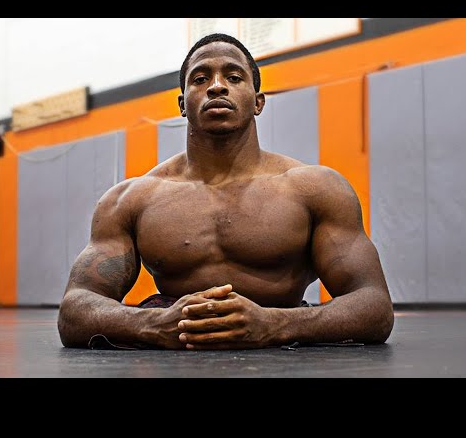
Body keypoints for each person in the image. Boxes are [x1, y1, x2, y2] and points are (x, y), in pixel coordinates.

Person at [57, 33, 394, 350]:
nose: (217, 86)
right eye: (200, 79)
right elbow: (75, 310)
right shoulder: (130, 199)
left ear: (258, 102)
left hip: (281, 349)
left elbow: (374, 305)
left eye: (233, 77)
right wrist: (154, 323)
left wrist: (275, 324)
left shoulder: (316, 189)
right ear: (182, 104)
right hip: (175, 352)